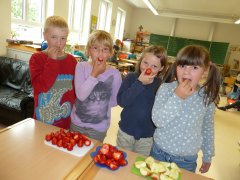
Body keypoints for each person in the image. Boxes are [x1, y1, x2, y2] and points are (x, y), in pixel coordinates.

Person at [150, 45, 221, 173]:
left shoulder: (206, 98)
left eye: (194, 67)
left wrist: (208, 155)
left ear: (205, 71)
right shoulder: (166, 89)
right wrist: (177, 97)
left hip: (186, 161)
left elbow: (207, 128)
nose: (186, 72)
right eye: (182, 66)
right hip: (159, 153)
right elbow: (158, 121)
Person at [70, 30, 122, 142]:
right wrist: (94, 74)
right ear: (88, 50)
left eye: (105, 49)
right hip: (77, 123)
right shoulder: (81, 67)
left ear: (110, 53)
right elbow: (81, 96)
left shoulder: (115, 74)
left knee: (92, 156)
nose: (100, 53)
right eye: (95, 48)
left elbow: (114, 101)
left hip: (98, 128)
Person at [116, 46, 168, 156]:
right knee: (121, 159)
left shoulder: (160, 85)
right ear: (140, 61)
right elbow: (122, 101)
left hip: (147, 136)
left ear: (161, 68)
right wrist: (139, 83)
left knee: (140, 164)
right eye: (145, 63)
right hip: (126, 132)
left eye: (154, 66)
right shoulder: (131, 78)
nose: (148, 69)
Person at [29, 16, 77, 129]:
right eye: (54, 37)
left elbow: (75, 90)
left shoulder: (72, 61)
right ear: (44, 35)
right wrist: (52, 60)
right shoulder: (36, 58)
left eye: (63, 38)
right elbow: (42, 86)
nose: (58, 43)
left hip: (66, 121)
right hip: (42, 121)